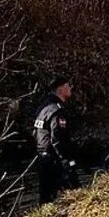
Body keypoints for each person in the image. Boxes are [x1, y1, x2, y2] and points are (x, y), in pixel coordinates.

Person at [33, 76, 80, 204]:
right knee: (66, 194)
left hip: (42, 157)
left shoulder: (43, 108)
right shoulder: (57, 110)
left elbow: (36, 133)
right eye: (68, 85)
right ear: (61, 89)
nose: (71, 88)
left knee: (46, 197)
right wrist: (66, 161)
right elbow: (57, 138)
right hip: (55, 159)